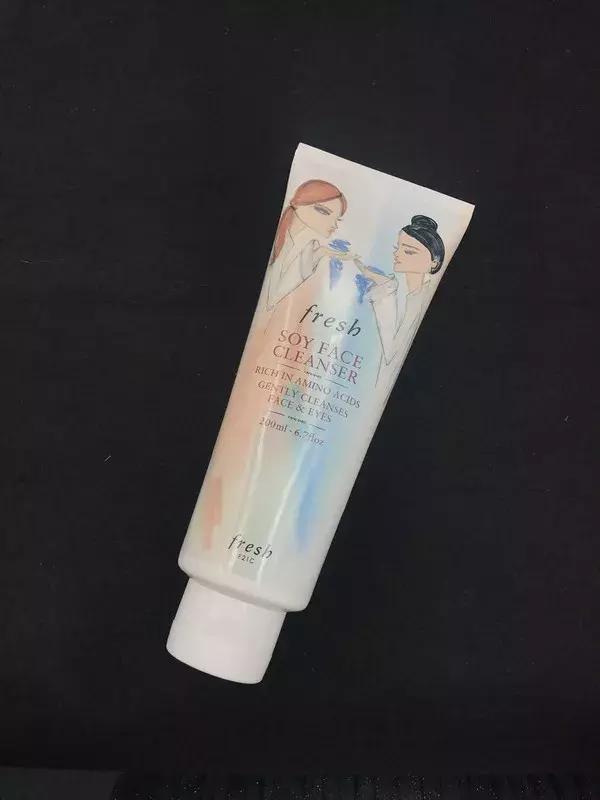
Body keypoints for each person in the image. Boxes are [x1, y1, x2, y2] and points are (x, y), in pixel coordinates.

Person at [356, 215, 445, 385]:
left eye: (409, 251)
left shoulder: (422, 300)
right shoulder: (397, 293)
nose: (397, 254)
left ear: (434, 262)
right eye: (397, 248)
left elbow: (392, 354)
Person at [266, 179, 354, 309]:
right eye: (323, 211)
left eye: (337, 219)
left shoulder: (309, 248)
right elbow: (271, 299)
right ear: (298, 204)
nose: (334, 225)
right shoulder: (281, 239)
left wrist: (321, 253)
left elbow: (275, 300)